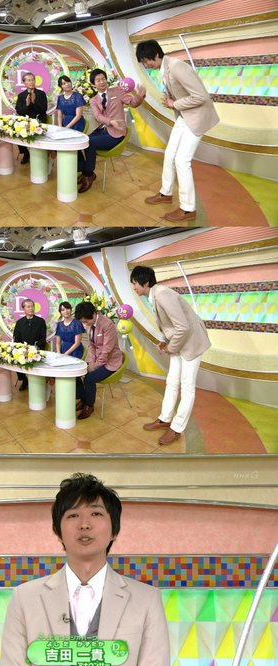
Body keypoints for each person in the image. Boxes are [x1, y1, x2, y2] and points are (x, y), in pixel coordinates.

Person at [1, 472, 170, 666]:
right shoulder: (25, 598)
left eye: (96, 514)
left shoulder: (147, 600)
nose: (84, 524)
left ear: (114, 530)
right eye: (73, 515)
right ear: (57, 531)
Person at [136, 39, 220, 223]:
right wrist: (171, 99)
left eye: (146, 60)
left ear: (156, 54)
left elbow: (201, 96)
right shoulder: (165, 68)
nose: (146, 65)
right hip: (184, 117)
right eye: (143, 62)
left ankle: (188, 209)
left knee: (182, 160)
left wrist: (175, 103)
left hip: (196, 117)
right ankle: (166, 193)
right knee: (170, 154)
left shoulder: (177, 67)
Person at [130, 265, 211, 445]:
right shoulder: (155, 295)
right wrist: (164, 341)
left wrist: (170, 348)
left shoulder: (163, 295)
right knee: (172, 382)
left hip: (192, 344)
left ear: (146, 282)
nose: (134, 287)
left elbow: (183, 327)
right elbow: (170, 325)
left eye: (135, 283)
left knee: (187, 388)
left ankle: (177, 428)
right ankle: (165, 419)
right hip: (180, 342)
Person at [77, 68, 145, 194]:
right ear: (93, 84)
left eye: (103, 79)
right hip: (103, 130)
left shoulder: (117, 91)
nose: (102, 82)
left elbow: (132, 102)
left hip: (116, 133)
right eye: (98, 80)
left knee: (89, 142)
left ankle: (88, 174)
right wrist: (110, 121)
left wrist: (140, 95)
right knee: (83, 141)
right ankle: (85, 170)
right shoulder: (93, 100)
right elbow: (98, 116)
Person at [73, 301, 123, 420]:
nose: (85, 324)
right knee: (76, 371)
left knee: (89, 379)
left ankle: (89, 406)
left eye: (86, 321)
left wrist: (94, 366)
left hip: (111, 362)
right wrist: (91, 362)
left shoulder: (108, 325)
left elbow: (106, 351)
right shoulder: (89, 324)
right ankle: (84, 400)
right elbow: (92, 346)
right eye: (83, 322)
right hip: (97, 360)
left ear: (94, 314)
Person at [13, 299, 47, 391]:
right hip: (23, 350)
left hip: (37, 350)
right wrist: (22, 349)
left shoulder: (41, 321)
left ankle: (36, 382)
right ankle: (24, 380)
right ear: (23, 309)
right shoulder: (19, 323)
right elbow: (16, 339)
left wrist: (35, 348)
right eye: (28, 307)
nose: (31, 308)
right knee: (16, 360)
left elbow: (43, 338)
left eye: (32, 306)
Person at [15, 72, 48, 165]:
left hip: (39, 120)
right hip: (26, 121)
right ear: (24, 82)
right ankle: (26, 153)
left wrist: (34, 102)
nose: (32, 82)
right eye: (29, 80)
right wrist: (27, 104)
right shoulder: (21, 96)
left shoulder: (41, 94)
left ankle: (39, 155)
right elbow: (19, 111)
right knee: (17, 132)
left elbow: (44, 109)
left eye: (33, 80)